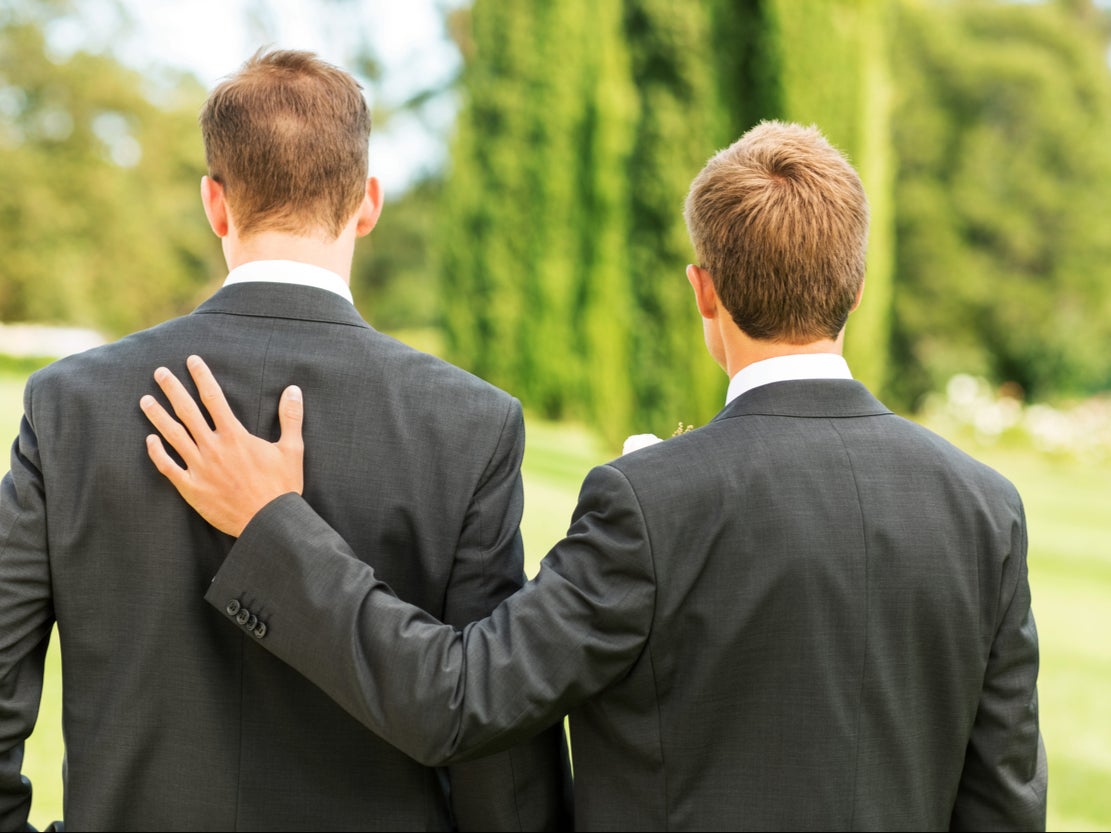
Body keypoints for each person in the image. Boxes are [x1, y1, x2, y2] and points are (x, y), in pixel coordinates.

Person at [142, 121, 1047, 831]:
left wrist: (272, 524)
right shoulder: (985, 509)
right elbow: (1005, 805)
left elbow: (454, 700)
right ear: (854, 285)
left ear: (704, 290)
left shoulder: (645, 503)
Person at [0, 49, 570, 832]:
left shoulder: (72, 404)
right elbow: (497, 759)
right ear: (367, 202)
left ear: (214, 201)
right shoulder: (467, 425)